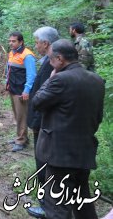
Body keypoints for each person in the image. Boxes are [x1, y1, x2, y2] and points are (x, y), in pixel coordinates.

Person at [33, 39, 104, 219]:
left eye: (50, 60)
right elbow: (97, 117)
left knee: (57, 206)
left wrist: (50, 79)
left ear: (60, 59)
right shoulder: (96, 80)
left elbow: (37, 102)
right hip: (84, 151)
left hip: (59, 154)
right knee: (82, 201)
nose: (50, 63)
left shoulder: (60, 79)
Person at [26, 27, 59, 219]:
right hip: (42, 121)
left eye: (37, 42)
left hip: (44, 123)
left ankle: (48, 207)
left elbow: (45, 96)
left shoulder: (52, 65)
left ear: (45, 43)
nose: (36, 45)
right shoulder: (49, 61)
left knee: (44, 163)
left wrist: (36, 122)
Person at [5, 31, 36, 152]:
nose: (11, 43)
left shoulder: (27, 55)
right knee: (17, 115)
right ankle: (21, 136)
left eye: (13, 41)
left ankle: (21, 140)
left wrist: (26, 90)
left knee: (22, 116)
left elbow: (32, 75)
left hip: (21, 90)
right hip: (12, 88)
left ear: (20, 42)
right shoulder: (12, 53)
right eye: (10, 41)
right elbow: (9, 70)